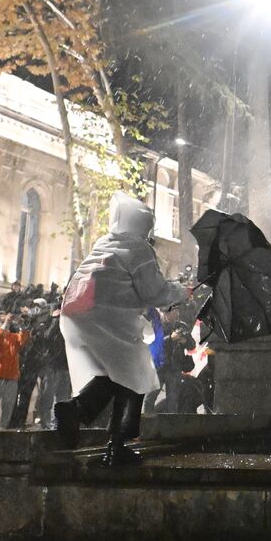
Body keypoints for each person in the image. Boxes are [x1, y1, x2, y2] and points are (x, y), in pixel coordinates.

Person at [54, 192, 188, 467]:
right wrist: (181, 292)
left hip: (77, 315)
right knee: (136, 372)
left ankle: (75, 411)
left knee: (115, 373)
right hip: (106, 316)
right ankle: (117, 445)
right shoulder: (139, 249)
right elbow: (154, 291)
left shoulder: (104, 243)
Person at [0, 310, 27, 429]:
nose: (6, 321)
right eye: (1, 319)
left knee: (8, 407)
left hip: (11, 377)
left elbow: (24, 339)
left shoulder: (13, 337)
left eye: (5, 319)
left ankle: (3, 430)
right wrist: (5, 323)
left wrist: (21, 324)